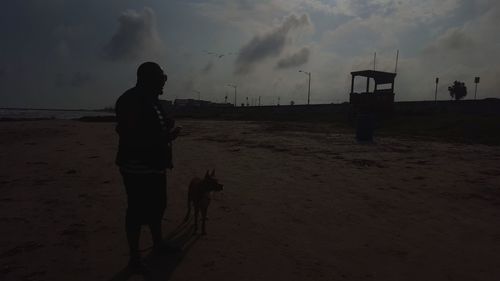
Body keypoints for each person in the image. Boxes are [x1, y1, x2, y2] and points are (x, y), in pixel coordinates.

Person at [115, 62, 181, 272]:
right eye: (161, 77)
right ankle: (134, 258)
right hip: (137, 166)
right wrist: (165, 136)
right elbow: (130, 135)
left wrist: (166, 127)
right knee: (136, 211)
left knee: (158, 206)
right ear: (148, 79)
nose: (164, 82)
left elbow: (150, 127)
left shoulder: (151, 100)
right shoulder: (130, 100)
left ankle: (158, 243)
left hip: (155, 165)